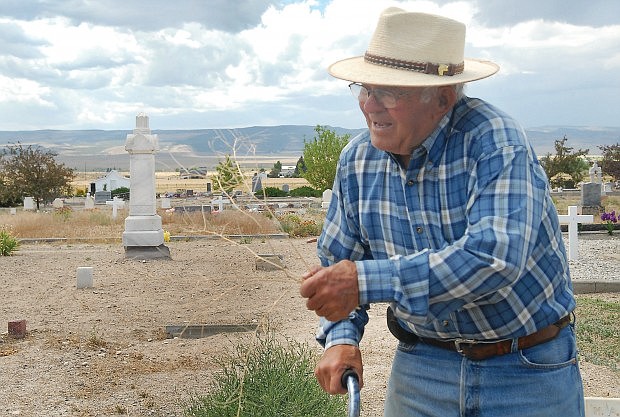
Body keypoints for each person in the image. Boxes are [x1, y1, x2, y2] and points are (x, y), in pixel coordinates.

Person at [299, 7, 584, 417]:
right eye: (364, 88)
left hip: (526, 369)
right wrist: (342, 336)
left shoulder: (495, 142)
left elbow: (493, 257)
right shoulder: (357, 161)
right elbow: (339, 265)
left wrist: (363, 281)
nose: (370, 105)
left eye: (389, 92)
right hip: (421, 367)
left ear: (443, 98)